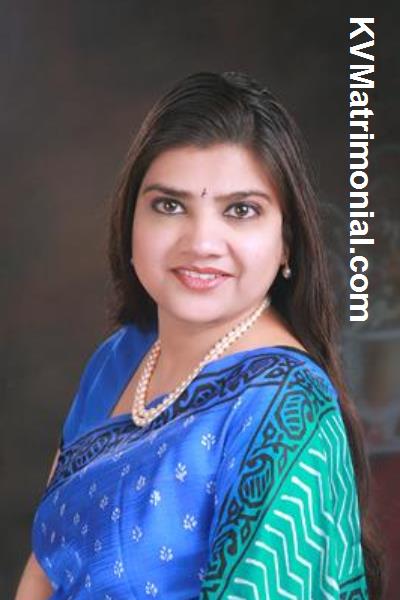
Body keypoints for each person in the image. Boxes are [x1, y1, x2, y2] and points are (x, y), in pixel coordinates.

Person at [16, 71, 383, 599]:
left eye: (241, 210)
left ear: (287, 242)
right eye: (170, 205)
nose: (202, 242)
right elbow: (47, 563)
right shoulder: (119, 358)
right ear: (130, 222)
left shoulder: (286, 410)